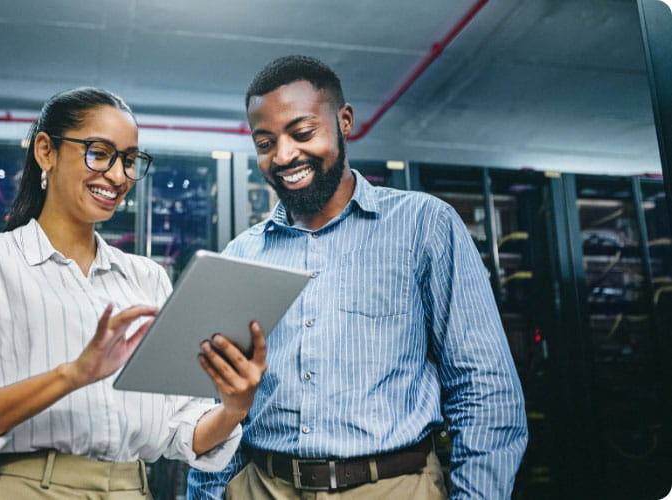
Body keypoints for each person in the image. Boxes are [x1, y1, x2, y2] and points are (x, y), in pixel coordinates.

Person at [187, 56, 528, 499]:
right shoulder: (243, 254)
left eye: (302, 133)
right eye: (265, 142)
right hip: (262, 487)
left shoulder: (424, 225)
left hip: (392, 487)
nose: (284, 155)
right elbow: (221, 402)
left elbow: (484, 392)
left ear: (344, 120)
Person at [0, 87, 266, 499]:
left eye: (130, 161)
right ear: (46, 151)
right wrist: (73, 375)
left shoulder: (147, 278)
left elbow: (180, 429)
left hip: (133, 489)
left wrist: (236, 406)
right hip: (27, 488)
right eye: (100, 153)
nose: (118, 176)